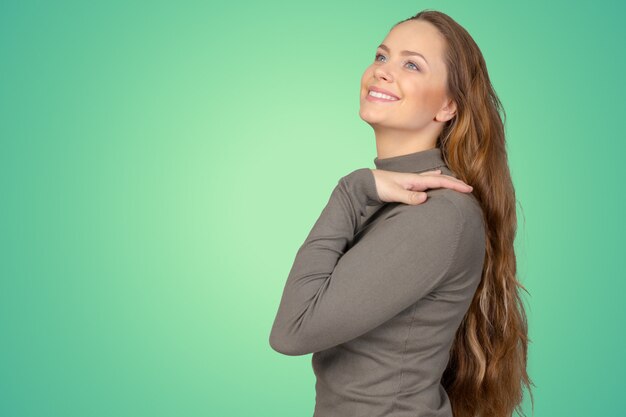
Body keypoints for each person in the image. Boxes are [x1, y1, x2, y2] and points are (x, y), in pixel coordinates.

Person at [269, 9, 534, 417]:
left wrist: (351, 189)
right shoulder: (389, 201)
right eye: (380, 56)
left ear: (447, 106)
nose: (383, 71)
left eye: (411, 64)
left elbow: (293, 329)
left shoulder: (437, 215)